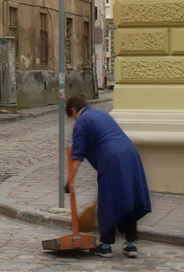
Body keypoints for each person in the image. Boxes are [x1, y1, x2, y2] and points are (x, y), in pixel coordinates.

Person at [66, 95, 151, 259]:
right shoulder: (102, 114)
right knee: (129, 197)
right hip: (130, 153)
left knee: (109, 200)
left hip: (112, 158)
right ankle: (131, 244)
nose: (74, 119)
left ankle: (105, 246)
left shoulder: (82, 122)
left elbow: (77, 155)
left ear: (73, 110)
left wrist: (70, 180)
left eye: (72, 116)